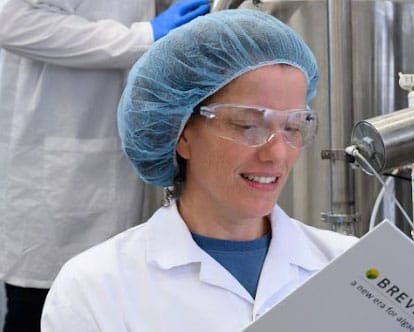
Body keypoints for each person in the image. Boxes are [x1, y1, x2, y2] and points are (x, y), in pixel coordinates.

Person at [40, 9, 358, 331]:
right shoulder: (95, 288)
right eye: (247, 125)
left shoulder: (353, 267)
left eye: (293, 126)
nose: (277, 153)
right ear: (181, 134)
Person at [0, 0, 208, 330]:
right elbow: (11, 20)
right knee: (43, 309)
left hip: (125, 166)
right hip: (58, 179)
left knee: (112, 305)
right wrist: (141, 37)